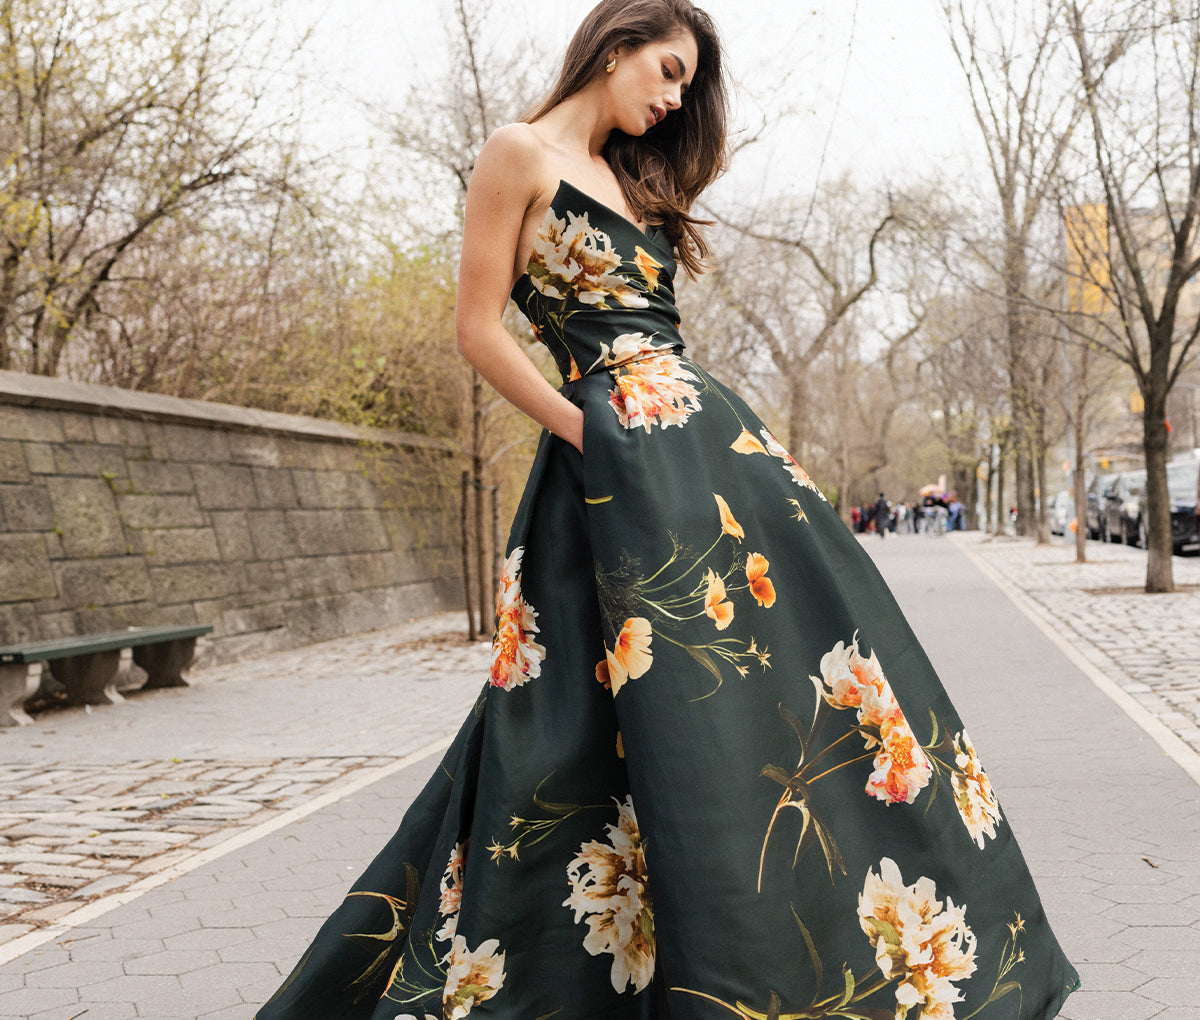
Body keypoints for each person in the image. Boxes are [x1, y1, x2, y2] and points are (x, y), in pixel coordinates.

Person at [256, 2, 1079, 1017]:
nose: (676, 96)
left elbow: (660, 339)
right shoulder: (516, 154)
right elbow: (477, 329)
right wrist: (584, 431)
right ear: (615, 47)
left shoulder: (634, 182)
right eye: (670, 70)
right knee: (561, 721)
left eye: (689, 83)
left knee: (788, 697)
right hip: (609, 467)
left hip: (709, 453)